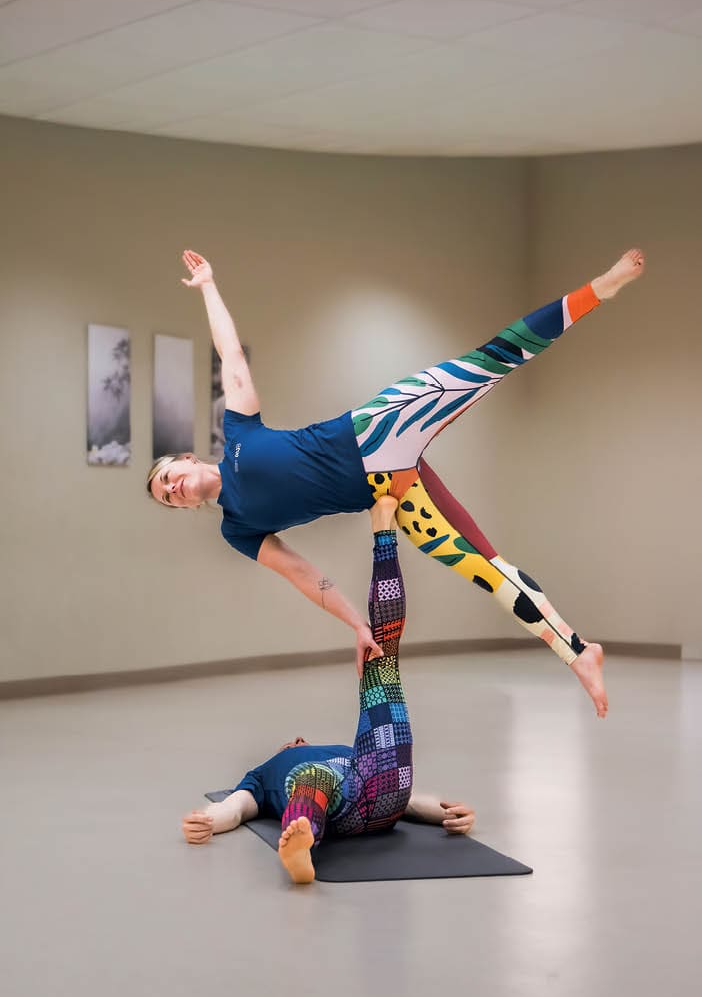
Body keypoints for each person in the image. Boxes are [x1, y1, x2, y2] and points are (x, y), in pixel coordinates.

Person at [148, 247, 646, 717]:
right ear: (183, 507)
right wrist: (357, 624)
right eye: (168, 498)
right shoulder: (237, 528)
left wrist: (208, 286)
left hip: (376, 425)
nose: (174, 489)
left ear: (187, 460)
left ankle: (600, 289)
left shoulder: (238, 431)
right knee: (487, 569)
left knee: (491, 359)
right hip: (391, 490)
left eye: (169, 477)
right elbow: (301, 574)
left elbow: (230, 354)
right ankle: (579, 653)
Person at [182, 497, 475, 884]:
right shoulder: (259, 777)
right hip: (334, 804)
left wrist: (446, 812)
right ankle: (302, 843)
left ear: (299, 742)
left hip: (381, 795)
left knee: (383, 653)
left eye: (294, 743)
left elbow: (408, 801)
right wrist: (208, 821)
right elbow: (234, 809)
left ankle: (384, 532)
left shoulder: (346, 751)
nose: (293, 742)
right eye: (292, 744)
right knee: (314, 776)